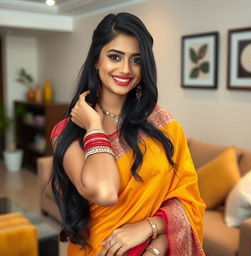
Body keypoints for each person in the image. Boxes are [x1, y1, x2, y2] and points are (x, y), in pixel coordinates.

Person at [50, 12, 206, 256]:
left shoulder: (163, 124)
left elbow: (189, 200)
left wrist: (151, 233)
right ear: (95, 60)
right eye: (114, 57)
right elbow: (105, 192)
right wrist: (94, 127)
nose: (126, 69)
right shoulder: (67, 132)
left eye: (136, 60)